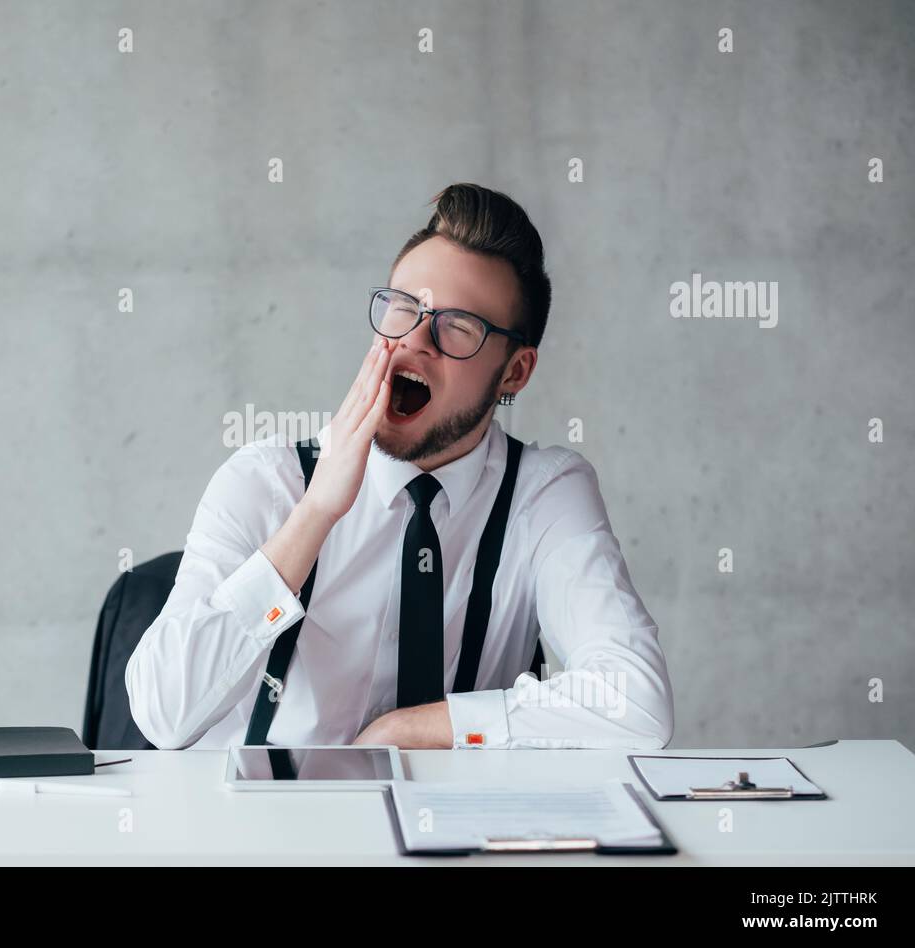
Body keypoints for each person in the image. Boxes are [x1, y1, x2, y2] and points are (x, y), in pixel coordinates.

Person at [126, 183, 674, 751]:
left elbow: (636, 701)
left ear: (515, 373)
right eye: (404, 307)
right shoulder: (266, 481)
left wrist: (411, 730)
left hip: (455, 835)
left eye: (457, 326)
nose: (414, 339)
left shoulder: (543, 493)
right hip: (269, 828)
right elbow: (163, 715)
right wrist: (314, 514)